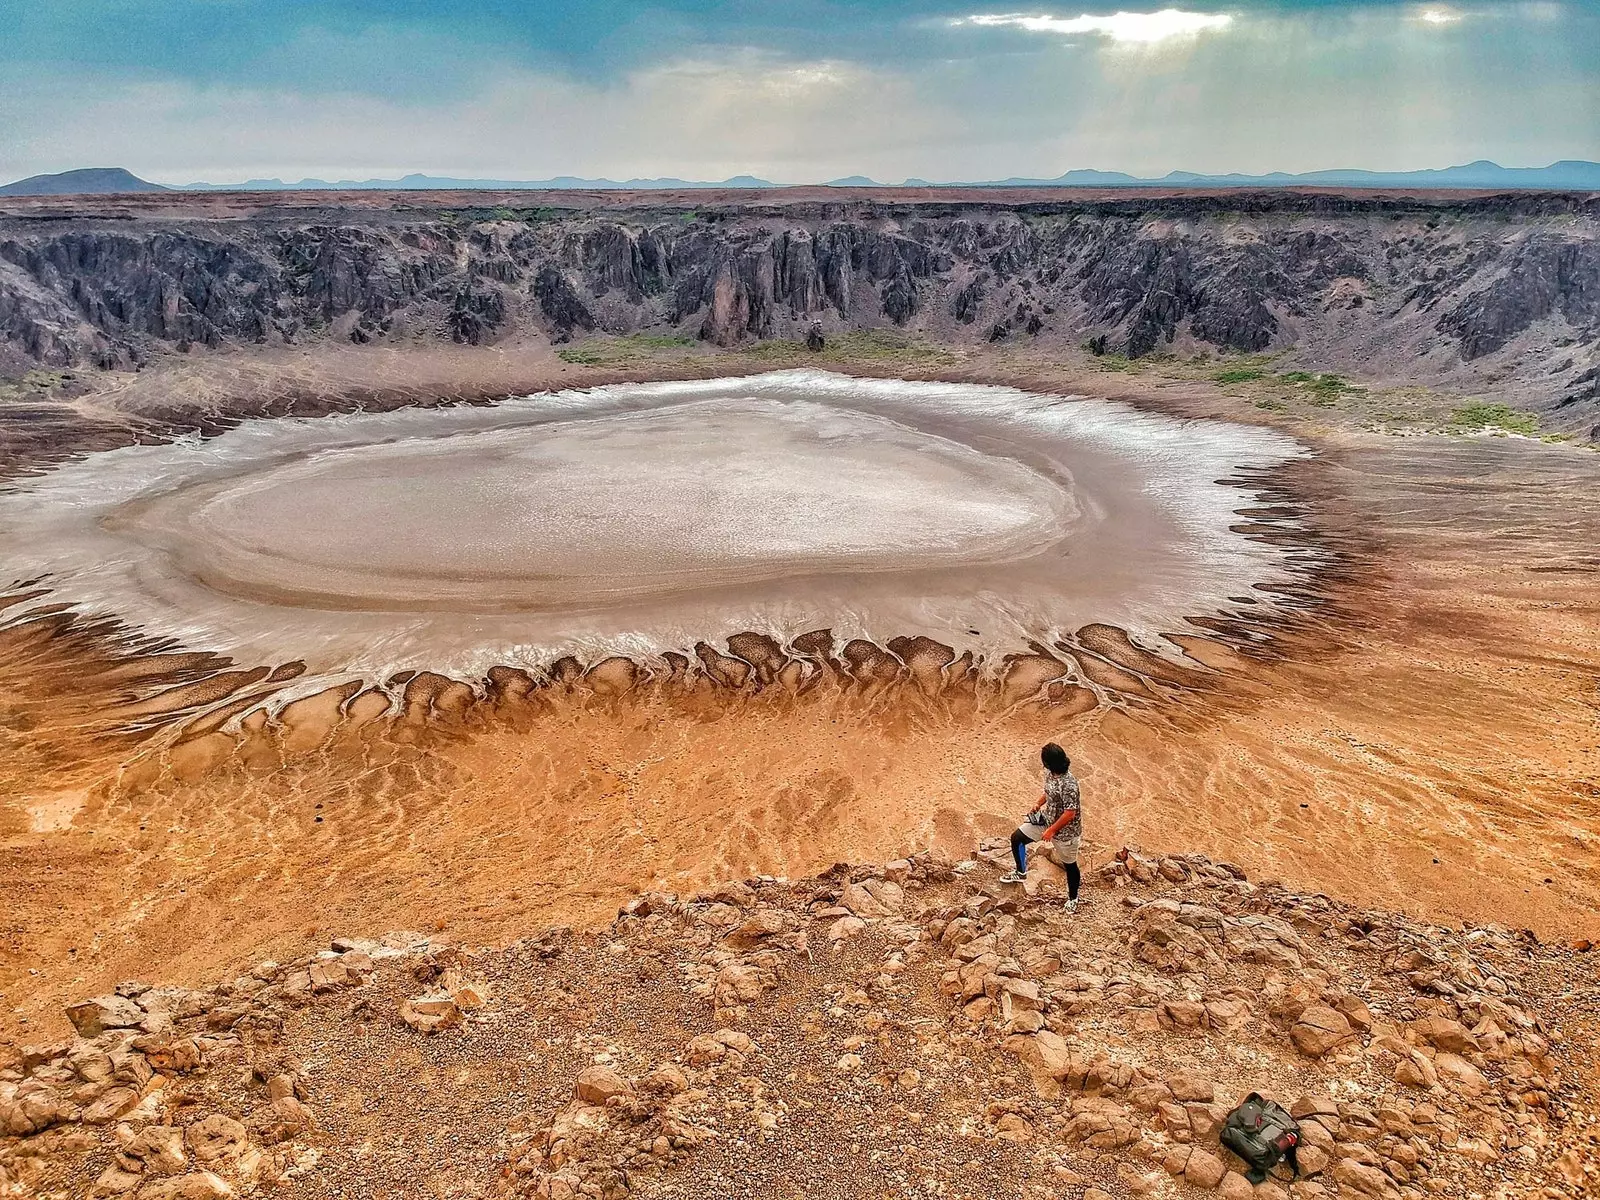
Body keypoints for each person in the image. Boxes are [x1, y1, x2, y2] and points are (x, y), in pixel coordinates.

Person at [999, 742, 1082, 910]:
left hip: (1066, 833)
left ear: (1050, 762)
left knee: (1070, 866)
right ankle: (1021, 872)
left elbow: (1070, 813)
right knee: (1017, 838)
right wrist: (1038, 803)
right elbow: (1048, 792)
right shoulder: (1051, 774)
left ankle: (1073, 899)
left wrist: (1051, 831)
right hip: (1046, 820)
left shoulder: (1069, 785)